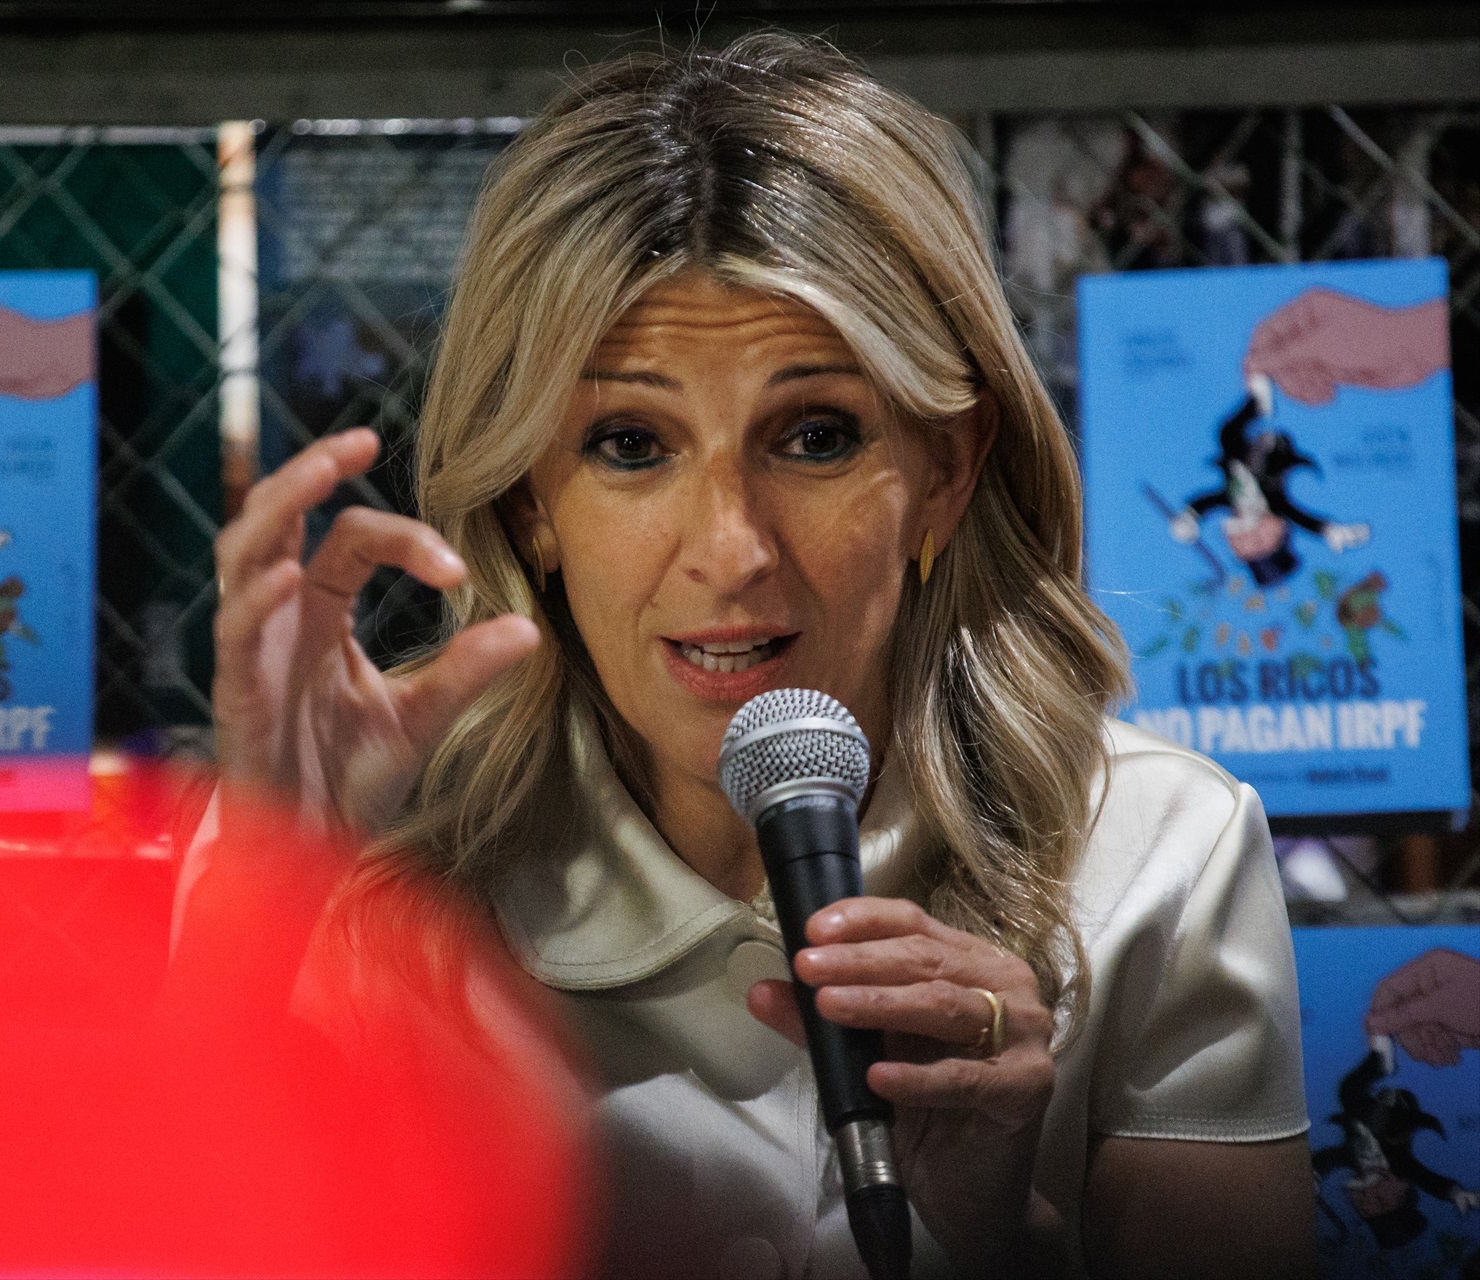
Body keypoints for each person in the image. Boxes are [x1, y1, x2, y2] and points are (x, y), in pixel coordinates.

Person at [201, 33, 1315, 1280]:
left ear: (945, 471)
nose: (732, 550)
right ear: (529, 503)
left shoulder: (1160, 854)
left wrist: (1003, 1235)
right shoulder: (364, 872)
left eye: (817, 435)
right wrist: (258, 911)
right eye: (632, 444)